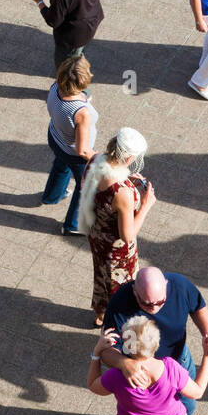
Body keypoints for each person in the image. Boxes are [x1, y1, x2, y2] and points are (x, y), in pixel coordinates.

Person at [100, 267, 208, 415]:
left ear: (166, 286)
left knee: (187, 404)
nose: (155, 309)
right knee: (145, 412)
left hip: (177, 359)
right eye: (147, 304)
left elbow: (198, 306)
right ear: (134, 292)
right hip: (139, 371)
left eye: (160, 302)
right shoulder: (118, 304)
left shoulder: (180, 286)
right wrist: (125, 363)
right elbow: (107, 350)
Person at [79, 128, 154, 326]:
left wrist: (126, 179)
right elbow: (127, 235)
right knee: (119, 285)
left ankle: (100, 313)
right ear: (129, 158)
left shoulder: (95, 160)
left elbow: (87, 188)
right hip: (116, 248)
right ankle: (114, 320)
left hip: (96, 233)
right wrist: (145, 205)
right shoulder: (122, 192)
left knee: (101, 274)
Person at [42, 55, 98, 236]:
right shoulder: (81, 112)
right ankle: (73, 225)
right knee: (85, 185)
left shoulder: (54, 87)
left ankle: (52, 196)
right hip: (73, 153)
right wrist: (98, 158)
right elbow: (82, 149)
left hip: (55, 137)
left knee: (60, 167)